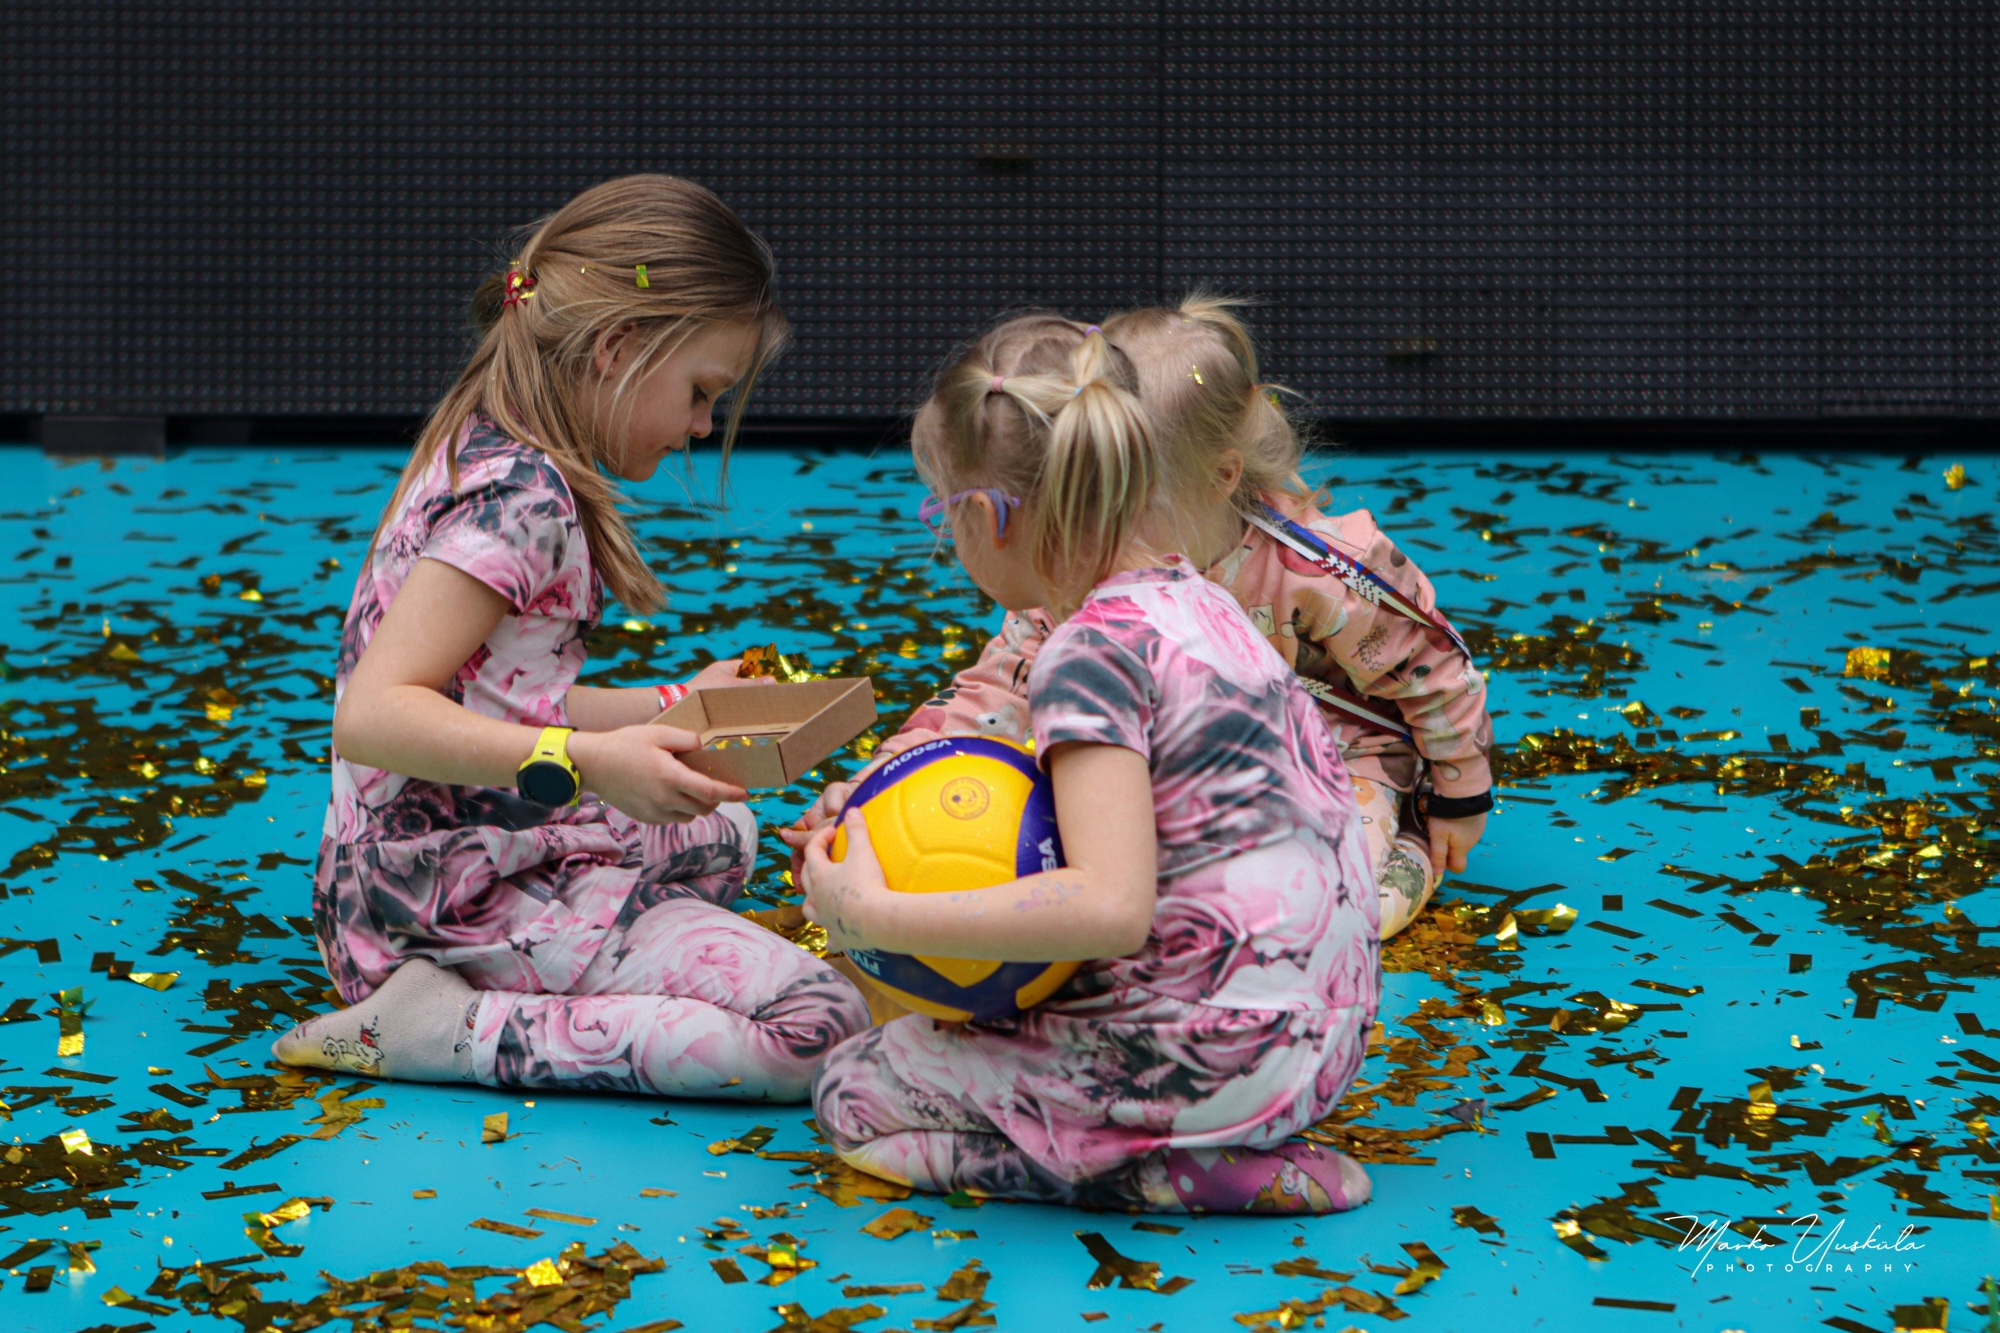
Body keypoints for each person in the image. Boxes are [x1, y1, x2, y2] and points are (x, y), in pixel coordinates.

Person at [272, 174, 867, 1099]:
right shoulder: (523, 501)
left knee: (728, 831)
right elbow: (372, 716)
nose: (702, 425)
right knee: (820, 1025)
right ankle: (441, 1029)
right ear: (618, 348)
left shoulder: (493, 442)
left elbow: (492, 697)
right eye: (701, 391)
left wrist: (673, 705)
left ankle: (562, 959)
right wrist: (588, 763)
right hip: (447, 901)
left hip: (423, 868)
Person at [800, 315, 1378, 1213]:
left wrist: (870, 912)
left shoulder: (1088, 651)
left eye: (942, 512)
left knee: (852, 1093)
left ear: (986, 518)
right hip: (1321, 1045)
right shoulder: (1200, 601)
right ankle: (1201, 1137)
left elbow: (1110, 906)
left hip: (1209, 1061)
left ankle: (1173, 1170)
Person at [789, 296, 1492, 941]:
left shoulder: (1317, 570)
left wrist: (1459, 793)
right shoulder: (1072, 578)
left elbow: (1430, 665)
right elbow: (995, 692)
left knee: (1333, 907)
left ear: (1218, 478)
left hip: (1328, 759)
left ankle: (1402, 849)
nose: (1100, 512)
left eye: (1128, 486)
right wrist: (879, 789)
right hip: (1167, 769)